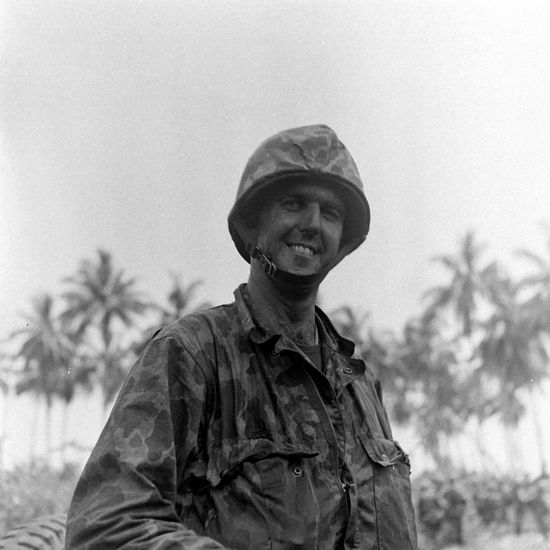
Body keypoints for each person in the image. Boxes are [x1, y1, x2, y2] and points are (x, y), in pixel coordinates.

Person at [65, 124, 417, 549]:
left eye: (331, 213)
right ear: (253, 225)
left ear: (343, 241)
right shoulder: (192, 355)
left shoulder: (360, 385)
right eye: (293, 203)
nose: (312, 223)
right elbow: (105, 526)